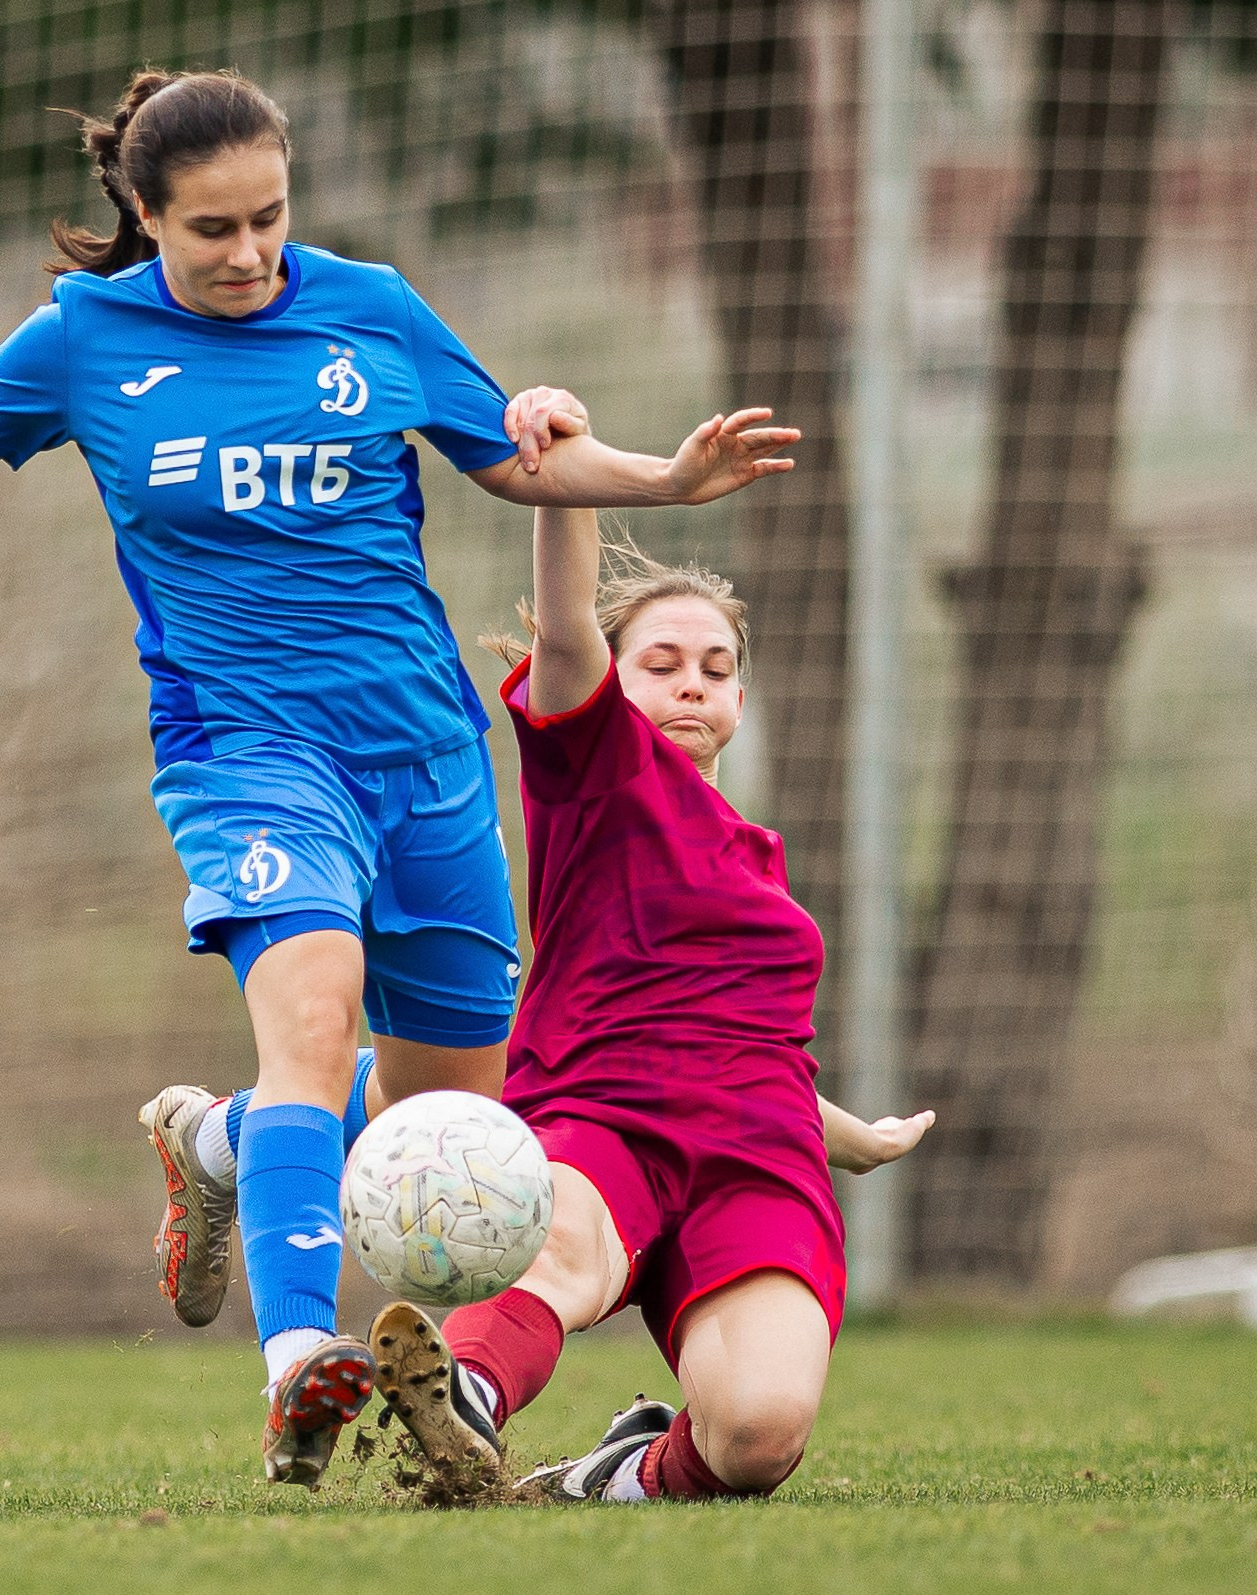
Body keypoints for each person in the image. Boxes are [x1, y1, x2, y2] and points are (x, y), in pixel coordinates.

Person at [0, 70, 794, 1486]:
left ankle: (226, 1143)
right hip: (245, 756)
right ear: (145, 216)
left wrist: (663, 476)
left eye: (269, 220)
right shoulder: (86, 338)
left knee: (447, 1111)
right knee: (308, 1013)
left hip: (424, 758)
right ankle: (299, 1362)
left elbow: (520, 463)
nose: (247, 255)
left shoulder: (373, 307)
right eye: (211, 229)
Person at [362, 387, 933, 1503]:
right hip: (601, 1119)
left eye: (716, 668)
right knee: (560, 1250)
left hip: (754, 1151)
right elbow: (568, 626)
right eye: (662, 660)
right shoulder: (596, 771)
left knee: (759, 1434)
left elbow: (727, 1037)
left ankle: (612, 1474)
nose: (691, 682)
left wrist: (841, 1133)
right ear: (614, 684)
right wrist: (564, 460)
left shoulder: (756, 860)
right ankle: (460, 1401)